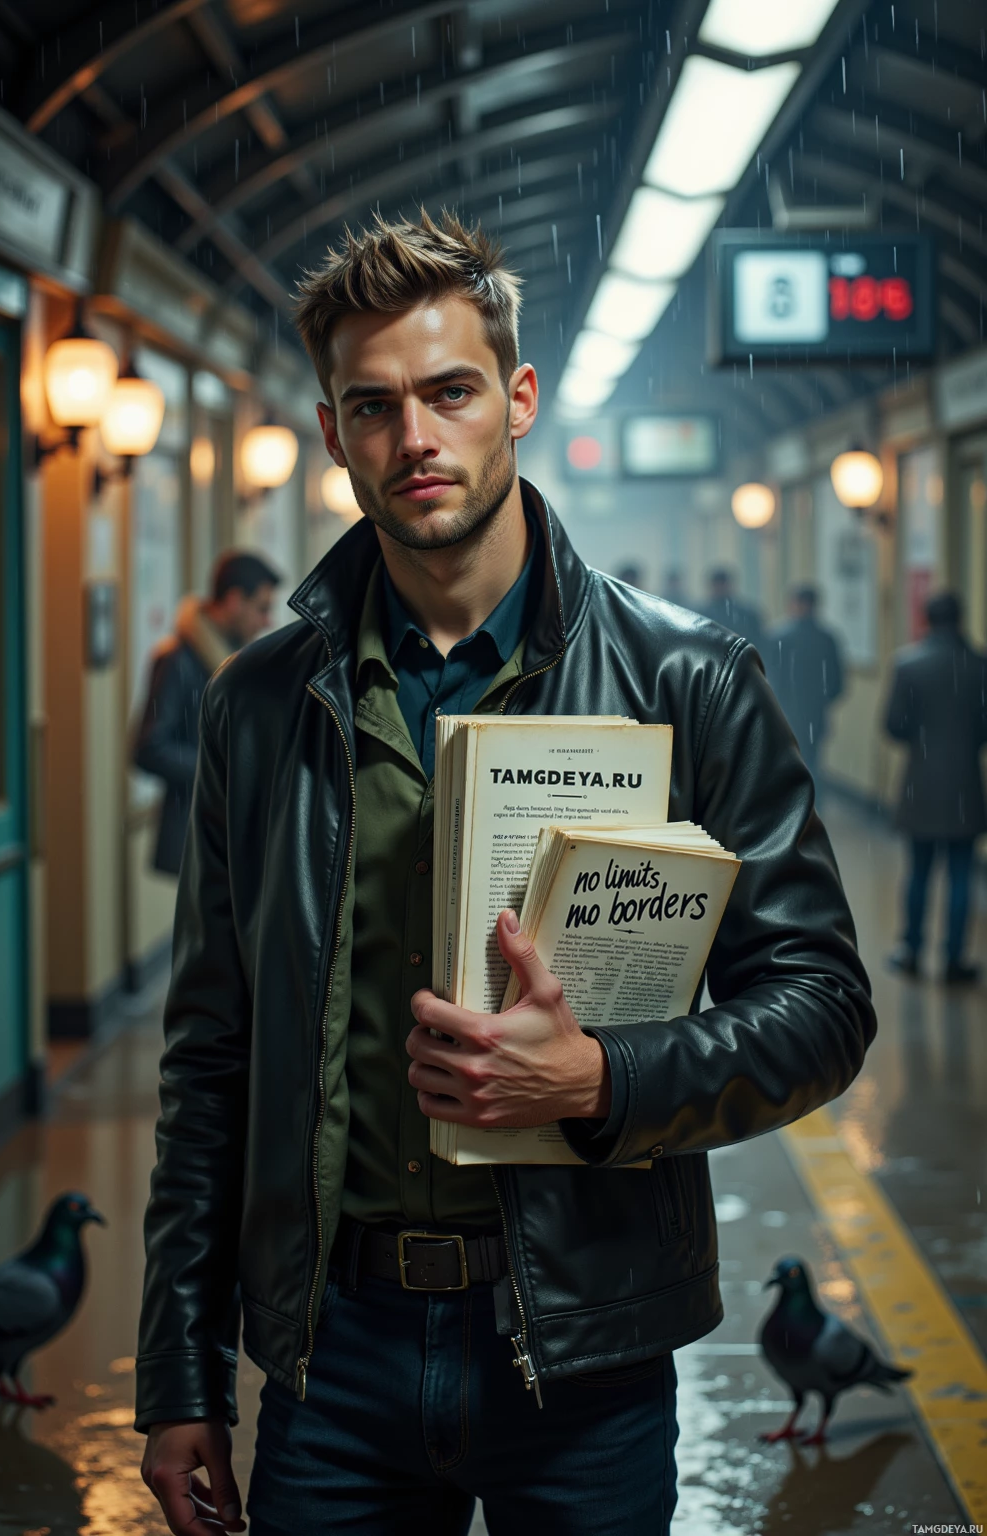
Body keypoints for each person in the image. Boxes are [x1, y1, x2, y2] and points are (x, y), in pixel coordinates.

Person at [134, 211, 874, 1536]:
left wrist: (606, 1081)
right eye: (373, 407)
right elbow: (210, 1057)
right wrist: (179, 1373)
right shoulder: (260, 704)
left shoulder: (684, 682)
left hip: (582, 1350)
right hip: (333, 1356)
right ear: (331, 435)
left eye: (451, 392)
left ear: (517, 400)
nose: (415, 439)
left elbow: (821, 1000)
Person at [132, 550, 280, 874]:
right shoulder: (177, 661)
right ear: (234, 600)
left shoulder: (233, 658)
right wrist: (225, 769)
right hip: (199, 833)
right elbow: (149, 748)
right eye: (262, 608)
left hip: (232, 832)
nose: (268, 621)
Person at [884, 591, 987, 984]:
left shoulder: (909, 665)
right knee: (962, 874)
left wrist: (923, 737)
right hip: (965, 783)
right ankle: (954, 958)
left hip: (921, 783)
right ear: (961, 618)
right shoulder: (979, 666)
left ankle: (911, 950)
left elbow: (893, 725)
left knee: (919, 871)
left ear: (926, 619)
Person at [766, 585, 844, 806]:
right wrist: (821, 700)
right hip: (816, 712)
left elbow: (771, 677)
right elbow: (838, 683)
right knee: (814, 759)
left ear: (795, 604)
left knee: (786, 761)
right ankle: (814, 807)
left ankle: (790, 807)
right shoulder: (827, 638)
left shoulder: (779, 636)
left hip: (785, 711)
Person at [697, 566, 765, 653]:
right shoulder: (702, 613)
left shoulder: (747, 613)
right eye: (717, 585)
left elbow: (759, 641)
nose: (719, 588)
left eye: (722, 584)